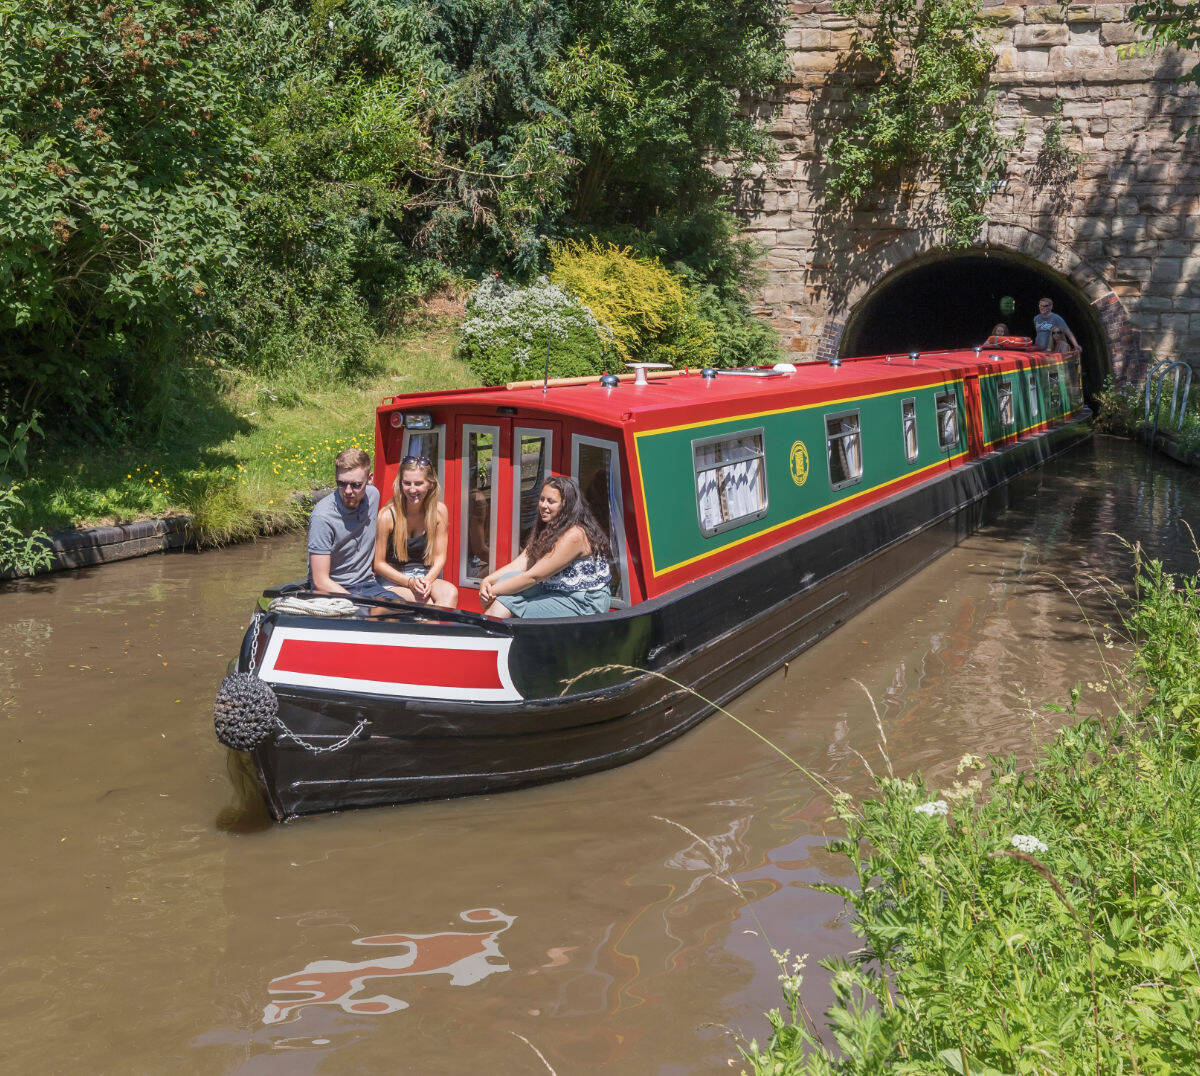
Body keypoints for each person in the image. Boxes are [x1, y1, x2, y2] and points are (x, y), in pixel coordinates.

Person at [479, 476, 612, 619]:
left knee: (508, 600)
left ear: (566, 505)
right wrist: (487, 581)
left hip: (583, 601)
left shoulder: (575, 535)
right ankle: (490, 630)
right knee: (509, 579)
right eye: (542, 499)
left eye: (551, 501)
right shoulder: (548, 527)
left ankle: (488, 633)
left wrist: (493, 592)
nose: (543, 505)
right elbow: (521, 563)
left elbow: (533, 577)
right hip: (557, 590)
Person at [307, 447, 394, 600]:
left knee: (406, 615)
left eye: (356, 485)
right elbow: (320, 581)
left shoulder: (373, 496)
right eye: (341, 483)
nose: (348, 491)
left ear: (369, 479)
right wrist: (355, 601)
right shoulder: (322, 517)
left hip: (368, 585)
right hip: (332, 591)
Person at [374, 456, 458, 608]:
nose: (412, 489)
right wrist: (409, 582)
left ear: (430, 484)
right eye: (407, 483)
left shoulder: (439, 511)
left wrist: (427, 580)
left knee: (450, 592)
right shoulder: (387, 515)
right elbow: (378, 564)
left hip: (424, 575)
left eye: (419, 483)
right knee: (426, 602)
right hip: (393, 579)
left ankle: (439, 630)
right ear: (400, 484)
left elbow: (440, 557)